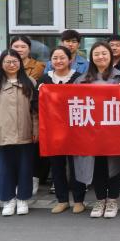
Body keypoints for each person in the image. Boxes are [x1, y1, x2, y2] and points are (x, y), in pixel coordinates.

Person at [74, 42, 120, 218]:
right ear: (91, 57)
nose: (101, 57)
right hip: (91, 130)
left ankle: (112, 200)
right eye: (97, 54)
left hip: (114, 130)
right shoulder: (82, 79)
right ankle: (100, 200)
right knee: (97, 166)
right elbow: (71, 100)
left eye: (104, 53)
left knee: (114, 165)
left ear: (110, 56)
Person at [0, 50, 38, 217]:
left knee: (25, 169)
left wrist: (36, 130)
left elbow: (35, 111)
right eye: (8, 62)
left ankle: (22, 199)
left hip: (25, 134)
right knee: (5, 170)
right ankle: (8, 200)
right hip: (1, 135)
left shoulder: (30, 83)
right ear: (1, 64)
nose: (12, 65)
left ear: (20, 63)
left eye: (15, 61)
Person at [38, 46, 86, 214]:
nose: (59, 61)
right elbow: (36, 104)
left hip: (75, 129)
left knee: (76, 166)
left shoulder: (78, 78)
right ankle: (62, 200)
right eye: (55, 58)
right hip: (53, 130)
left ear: (70, 60)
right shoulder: (44, 79)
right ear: (50, 61)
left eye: (62, 58)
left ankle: (79, 200)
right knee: (57, 166)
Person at [9, 35, 48, 194]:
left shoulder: (39, 66)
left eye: (23, 46)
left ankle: (34, 178)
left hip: (31, 109)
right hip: (10, 112)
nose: (19, 50)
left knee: (33, 147)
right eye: (16, 46)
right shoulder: (4, 65)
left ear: (29, 49)